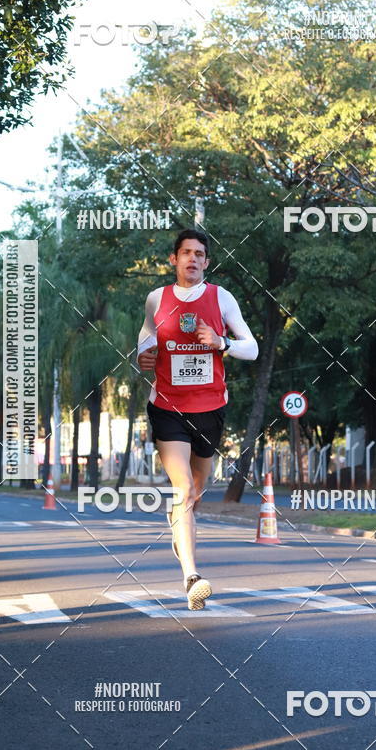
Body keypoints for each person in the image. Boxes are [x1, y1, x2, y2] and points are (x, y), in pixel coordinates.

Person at [137, 229, 258, 609]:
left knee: (196, 491)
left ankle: (179, 529)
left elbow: (251, 348)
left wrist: (221, 343)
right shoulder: (156, 298)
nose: (192, 258)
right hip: (168, 407)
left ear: (206, 262)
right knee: (184, 488)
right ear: (174, 259)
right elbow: (145, 335)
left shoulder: (221, 298)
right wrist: (141, 354)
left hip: (210, 409)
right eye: (186, 252)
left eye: (199, 254)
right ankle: (191, 575)